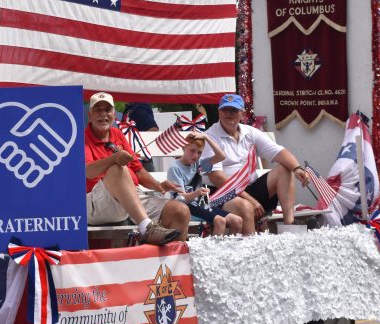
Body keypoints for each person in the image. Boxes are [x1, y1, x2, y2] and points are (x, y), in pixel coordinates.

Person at [85, 92, 190, 244]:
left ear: (113, 114)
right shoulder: (82, 138)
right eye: (98, 110)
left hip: (132, 197)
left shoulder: (117, 134)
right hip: (99, 202)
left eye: (107, 110)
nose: (103, 114)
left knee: (180, 211)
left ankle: (173, 259)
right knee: (117, 169)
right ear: (90, 115)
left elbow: (138, 170)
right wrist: (113, 158)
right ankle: (147, 227)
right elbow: (87, 171)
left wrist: (158, 185)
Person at [201, 93, 310, 235]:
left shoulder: (250, 132)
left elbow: (279, 152)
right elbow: (217, 178)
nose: (229, 114)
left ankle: (289, 225)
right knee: (246, 206)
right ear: (219, 112)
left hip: (247, 189)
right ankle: (251, 246)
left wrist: (297, 168)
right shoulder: (210, 136)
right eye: (225, 110)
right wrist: (250, 199)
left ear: (242, 114)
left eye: (233, 110)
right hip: (220, 193)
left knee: (285, 169)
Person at [166, 132, 243, 235]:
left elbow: (221, 156)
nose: (195, 156)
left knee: (237, 221)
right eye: (192, 150)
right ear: (183, 147)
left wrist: (206, 137)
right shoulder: (175, 168)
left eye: (199, 152)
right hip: (183, 208)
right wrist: (197, 193)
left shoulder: (198, 163)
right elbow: (180, 198)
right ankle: (214, 246)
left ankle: (229, 246)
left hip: (200, 205)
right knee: (220, 221)